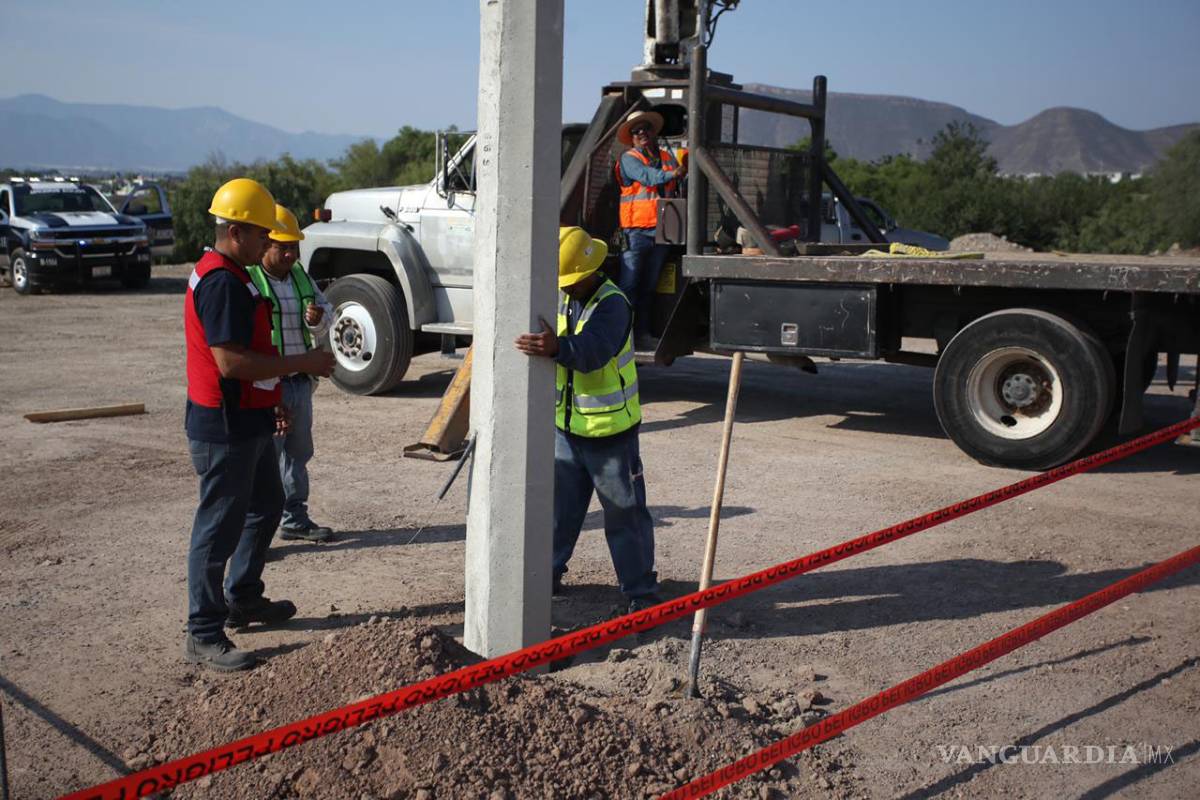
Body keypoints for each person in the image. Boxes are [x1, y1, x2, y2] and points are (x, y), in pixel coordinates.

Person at [183, 178, 335, 671]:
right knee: (217, 527)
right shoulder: (222, 282)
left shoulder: (237, 273)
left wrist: (271, 400)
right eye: (261, 234)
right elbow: (230, 362)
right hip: (223, 424)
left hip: (249, 416)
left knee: (267, 505)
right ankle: (204, 632)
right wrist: (304, 362)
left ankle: (243, 596)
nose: (268, 242)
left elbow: (251, 354)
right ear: (237, 232)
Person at [515, 226, 661, 613]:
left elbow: (593, 351)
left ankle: (641, 595)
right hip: (567, 428)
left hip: (610, 433)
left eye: (573, 283)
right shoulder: (564, 297)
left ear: (590, 272)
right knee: (559, 513)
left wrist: (557, 348)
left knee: (624, 516)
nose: (566, 289)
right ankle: (546, 575)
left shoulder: (613, 304)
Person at [246, 205, 336, 544]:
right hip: (266, 384)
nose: (288, 254)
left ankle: (293, 518)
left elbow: (327, 312)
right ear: (266, 243)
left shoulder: (300, 276)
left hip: (298, 383)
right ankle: (254, 534)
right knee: (262, 459)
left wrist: (317, 318)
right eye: (282, 247)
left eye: (293, 247)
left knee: (297, 455)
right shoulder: (252, 280)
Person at [613, 109, 687, 352]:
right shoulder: (629, 158)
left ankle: (642, 335)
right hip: (635, 233)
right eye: (636, 131)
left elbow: (679, 181)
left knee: (648, 288)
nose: (641, 133)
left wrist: (681, 172)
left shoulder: (667, 157)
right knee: (629, 287)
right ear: (631, 138)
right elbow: (647, 177)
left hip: (662, 232)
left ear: (653, 132)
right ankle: (622, 338)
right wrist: (673, 173)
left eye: (645, 128)